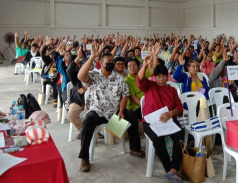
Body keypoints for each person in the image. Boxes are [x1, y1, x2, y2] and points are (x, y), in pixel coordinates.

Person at [77, 43, 143, 172]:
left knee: (131, 115)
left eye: (113, 61)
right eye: (109, 61)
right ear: (101, 63)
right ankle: (84, 158)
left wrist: (122, 111)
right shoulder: (94, 76)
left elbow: (124, 96)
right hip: (97, 111)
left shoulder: (119, 78)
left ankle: (134, 148)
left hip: (114, 111)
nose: (112, 63)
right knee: (89, 120)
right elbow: (80, 76)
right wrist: (92, 57)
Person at [137, 56, 184, 183]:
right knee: (158, 140)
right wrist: (145, 65)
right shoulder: (150, 86)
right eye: (159, 77)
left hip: (168, 120)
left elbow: (179, 107)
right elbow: (140, 79)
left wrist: (171, 113)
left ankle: (174, 168)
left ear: (167, 76)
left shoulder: (172, 90)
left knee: (180, 134)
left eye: (164, 76)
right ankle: (170, 170)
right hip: (150, 122)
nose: (162, 79)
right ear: (155, 77)